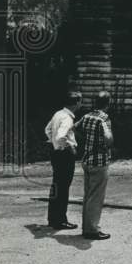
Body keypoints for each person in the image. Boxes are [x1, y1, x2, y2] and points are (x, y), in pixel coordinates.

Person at [44, 91, 82, 230]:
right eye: (80, 101)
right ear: (76, 103)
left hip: (55, 153)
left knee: (56, 185)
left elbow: (47, 130)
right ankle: (61, 220)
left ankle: (52, 218)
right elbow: (61, 136)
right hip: (64, 155)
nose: (81, 104)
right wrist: (70, 147)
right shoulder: (67, 118)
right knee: (64, 187)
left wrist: (53, 143)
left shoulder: (58, 114)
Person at [79, 91, 114, 240]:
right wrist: (109, 142)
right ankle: (92, 230)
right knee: (96, 197)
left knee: (88, 195)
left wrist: (87, 141)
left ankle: (86, 227)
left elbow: (74, 127)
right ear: (108, 103)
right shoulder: (104, 118)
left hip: (87, 160)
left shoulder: (87, 116)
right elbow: (107, 138)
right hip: (99, 162)